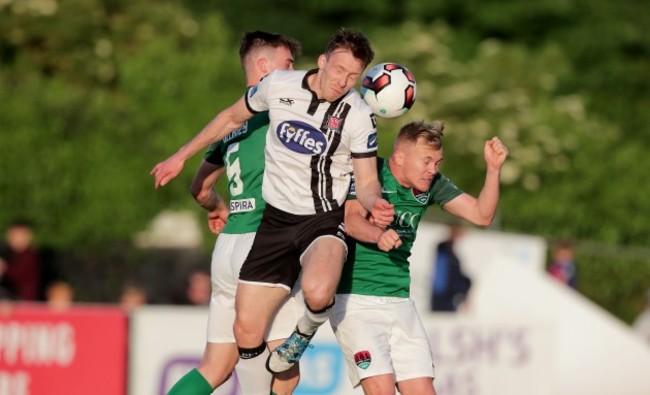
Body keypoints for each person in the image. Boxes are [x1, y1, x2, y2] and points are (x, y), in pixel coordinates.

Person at [151, 27, 394, 377]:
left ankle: (306, 330)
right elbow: (231, 118)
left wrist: (375, 203)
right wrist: (180, 155)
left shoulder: (357, 114)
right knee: (245, 330)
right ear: (322, 61)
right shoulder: (279, 86)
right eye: (339, 70)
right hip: (275, 223)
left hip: (323, 219)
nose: (343, 81)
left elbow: (368, 181)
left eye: (353, 77)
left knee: (318, 291)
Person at [165, 31, 303, 395]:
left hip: (227, 250)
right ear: (264, 66)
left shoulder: (232, 125)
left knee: (215, 368)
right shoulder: (280, 112)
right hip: (264, 247)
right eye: (288, 64)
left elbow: (200, 189)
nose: (294, 72)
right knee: (285, 371)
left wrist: (218, 207)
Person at [331, 121, 508, 394]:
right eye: (426, 161)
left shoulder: (432, 184)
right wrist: (378, 235)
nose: (432, 169)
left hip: (400, 301)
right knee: (382, 389)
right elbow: (352, 221)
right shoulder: (370, 172)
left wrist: (494, 170)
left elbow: (481, 215)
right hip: (357, 301)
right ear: (399, 157)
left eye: (438, 162)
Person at [430, 222, 471, 312]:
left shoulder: (452, 254)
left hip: (448, 294)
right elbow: (444, 275)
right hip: (442, 294)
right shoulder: (443, 248)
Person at [0, 219, 42, 301]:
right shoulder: (9, 253)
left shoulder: (30, 256)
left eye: (18, 235)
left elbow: (16, 275)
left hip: (24, 303)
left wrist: (3, 267)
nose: (14, 238)